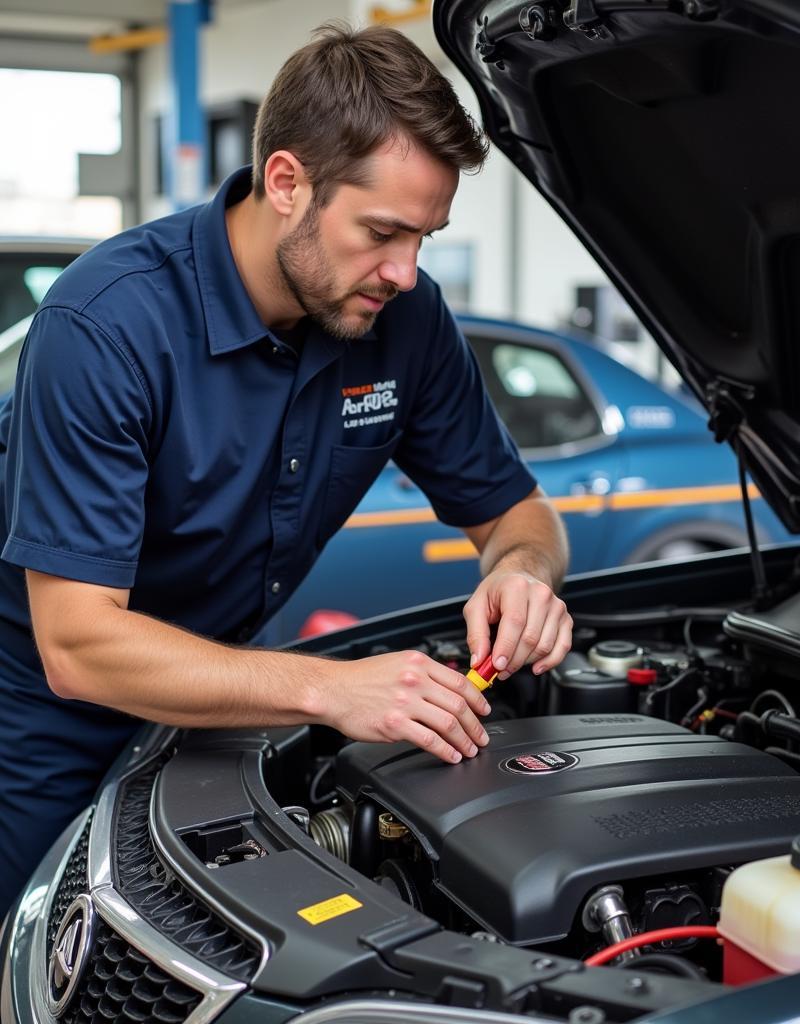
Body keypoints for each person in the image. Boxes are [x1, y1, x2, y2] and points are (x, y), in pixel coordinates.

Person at [0, 22, 571, 913]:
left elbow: (517, 514)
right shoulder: (107, 326)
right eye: (382, 231)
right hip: (41, 722)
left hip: (215, 705)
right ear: (285, 181)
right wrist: (329, 688)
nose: (407, 272)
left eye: (426, 235)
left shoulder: (405, 322)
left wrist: (523, 573)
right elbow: (77, 645)